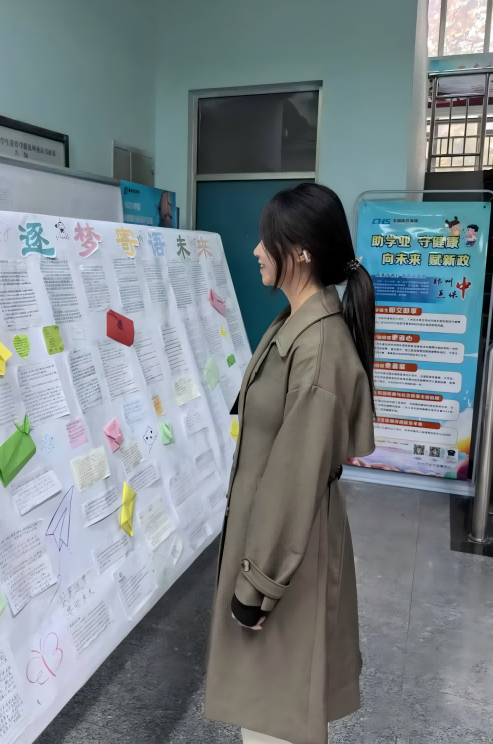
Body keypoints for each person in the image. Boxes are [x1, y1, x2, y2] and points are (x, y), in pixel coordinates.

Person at [205, 183, 376, 744]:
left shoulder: (318, 346)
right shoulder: (293, 325)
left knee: (276, 718)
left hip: (286, 559)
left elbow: (294, 478)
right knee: (266, 712)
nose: (256, 250)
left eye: (267, 240)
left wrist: (258, 583)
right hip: (274, 545)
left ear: (300, 252)